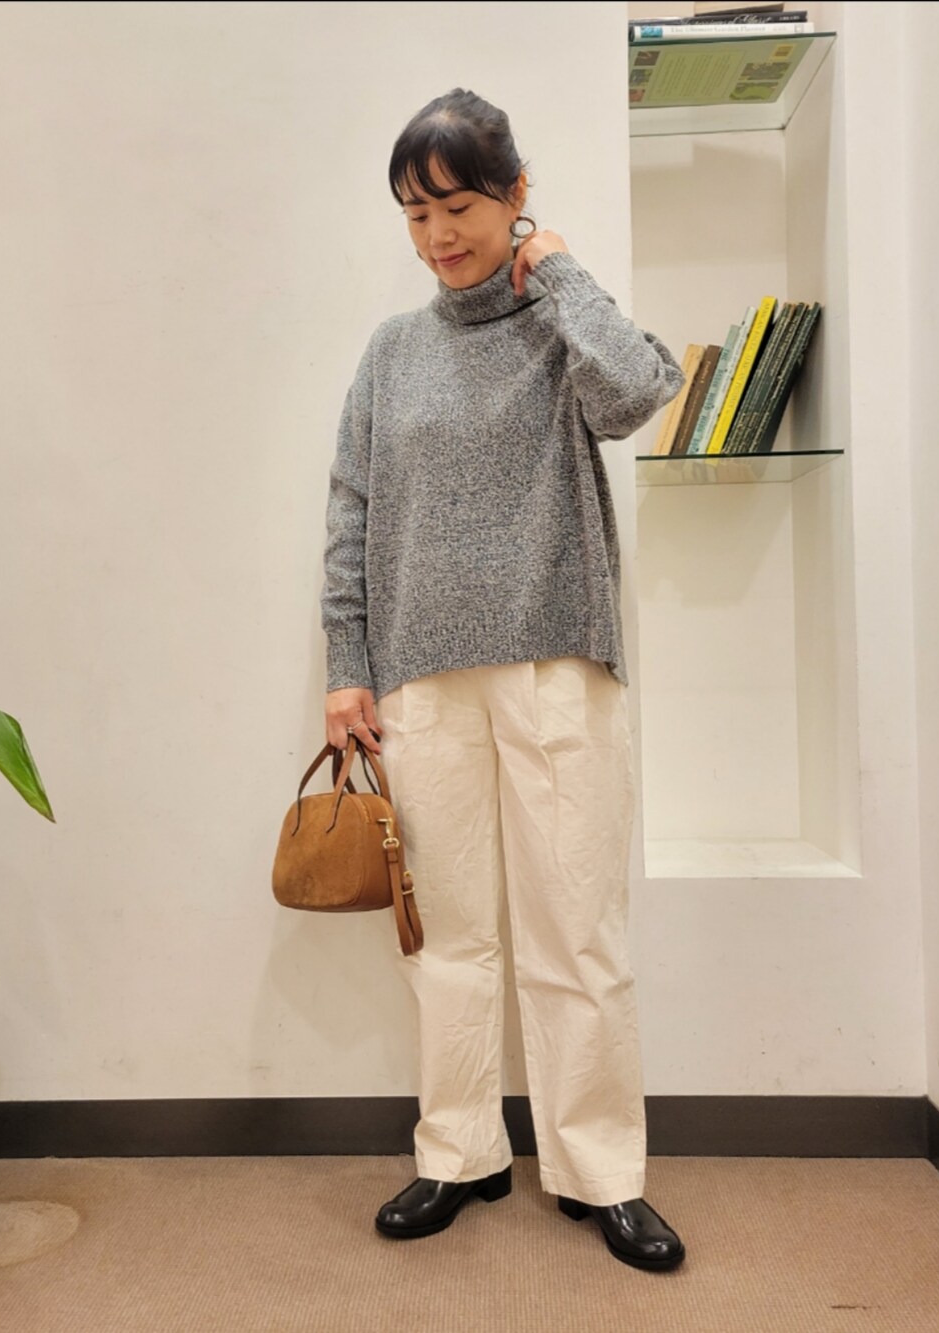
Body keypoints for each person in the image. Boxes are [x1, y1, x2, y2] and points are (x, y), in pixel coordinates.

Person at [320, 88, 687, 1272]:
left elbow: (639, 391)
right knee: (449, 939)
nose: (437, 235)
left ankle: (602, 1173)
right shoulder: (392, 351)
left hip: (555, 661)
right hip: (421, 680)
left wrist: (560, 271)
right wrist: (346, 666)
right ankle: (458, 1152)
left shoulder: (560, 327)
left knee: (577, 934)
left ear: (515, 195)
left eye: (460, 206)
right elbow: (351, 511)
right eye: (414, 213)